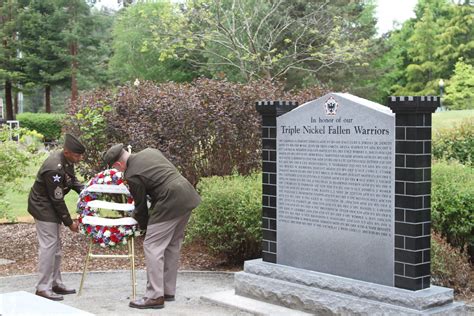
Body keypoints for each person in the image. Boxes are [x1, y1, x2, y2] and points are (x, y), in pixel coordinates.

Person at [103, 144, 201, 310]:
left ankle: (154, 296)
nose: (118, 171)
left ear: (118, 164)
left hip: (169, 200)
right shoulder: (150, 151)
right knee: (172, 245)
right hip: (187, 194)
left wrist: (143, 227)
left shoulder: (132, 174)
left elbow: (141, 206)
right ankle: (167, 290)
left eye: (115, 168)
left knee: (152, 246)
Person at [28, 133, 85, 301]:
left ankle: (55, 283)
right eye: (77, 155)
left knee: (56, 248)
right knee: (49, 247)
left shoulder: (67, 161)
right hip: (43, 206)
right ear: (66, 152)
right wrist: (70, 223)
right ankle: (42, 287)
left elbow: (72, 180)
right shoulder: (55, 167)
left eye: (81, 155)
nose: (80, 158)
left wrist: (87, 191)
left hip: (50, 205)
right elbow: (57, 199)